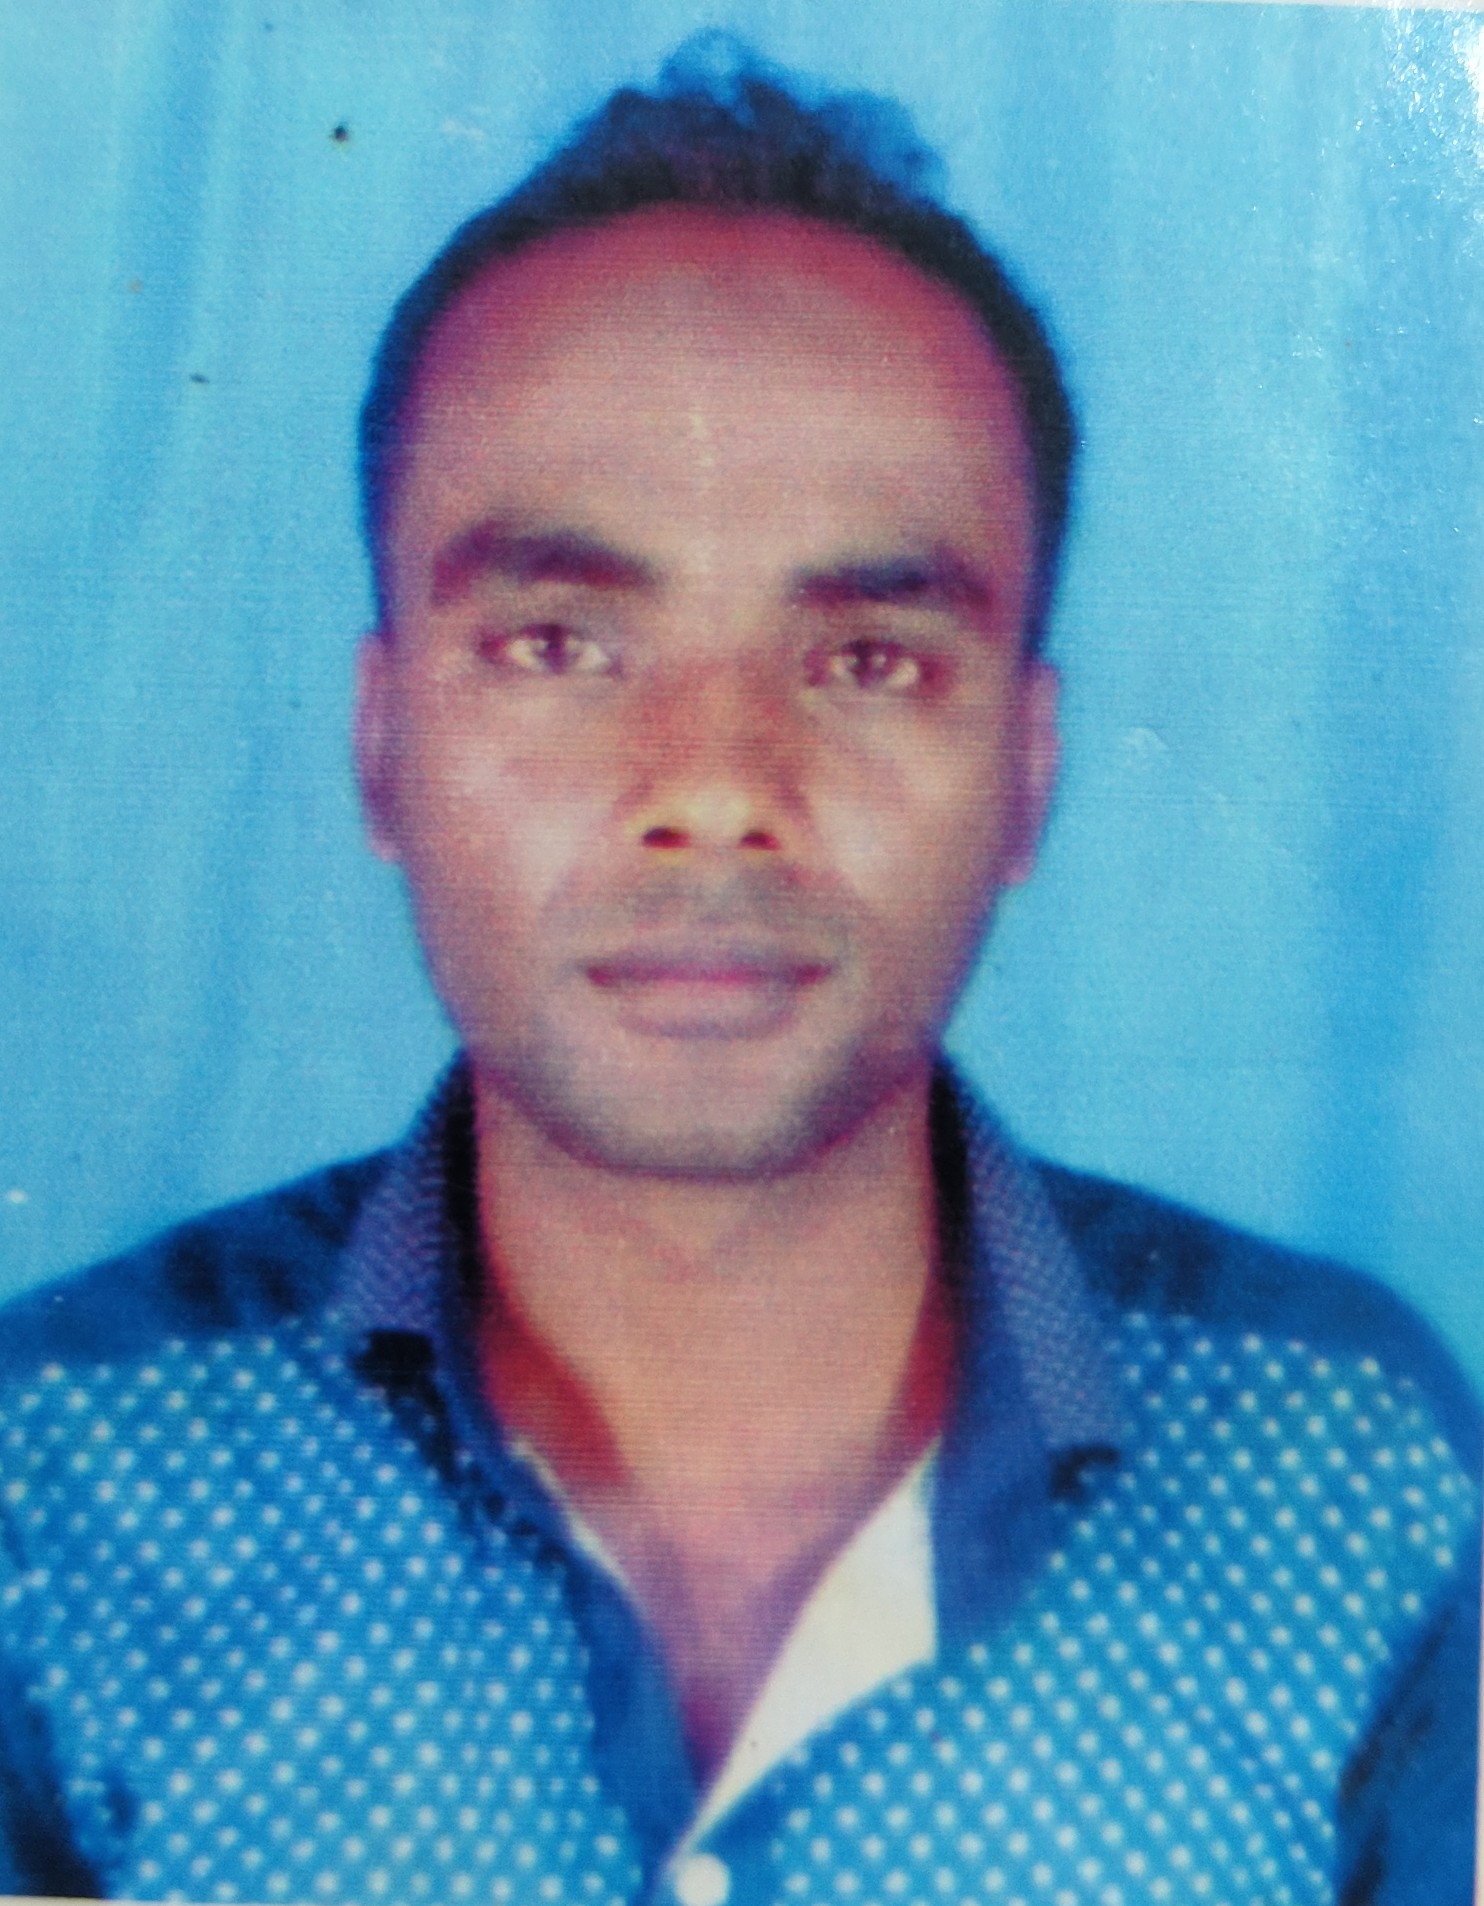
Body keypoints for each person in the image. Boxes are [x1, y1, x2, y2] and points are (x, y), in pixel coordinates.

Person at [0, 42, 1476, 1906]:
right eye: (557, 643)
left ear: (1029, 776)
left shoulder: (1353, 1475)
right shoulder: (54, 1493)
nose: (713, 789)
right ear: (380, 750)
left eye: (868, 661)